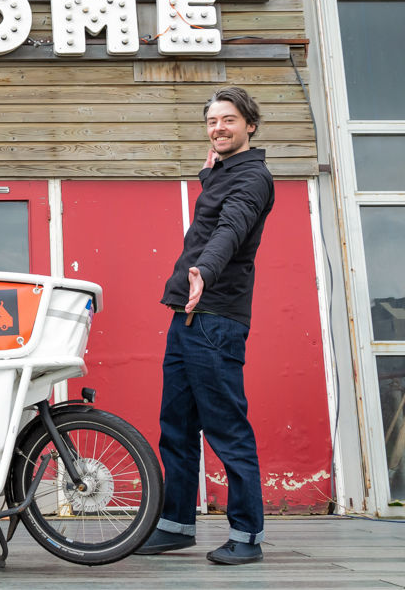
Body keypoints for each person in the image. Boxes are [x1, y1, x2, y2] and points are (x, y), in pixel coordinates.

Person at [136, 86, 275, 565]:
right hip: (188, 316)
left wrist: (204, 272)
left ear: (249, 125)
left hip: (215, 318)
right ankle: (175, 525)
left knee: (226, 428)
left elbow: (229, 230)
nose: (218, 127)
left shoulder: (253, 178)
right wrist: (206, 171)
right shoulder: (223, 172)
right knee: (175, 426)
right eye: (213, 121)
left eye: (229, 120)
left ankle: (247, 535)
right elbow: (216, 205)